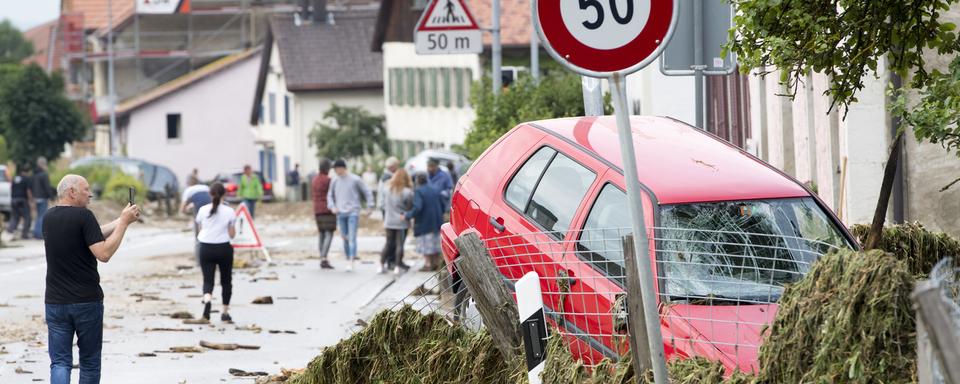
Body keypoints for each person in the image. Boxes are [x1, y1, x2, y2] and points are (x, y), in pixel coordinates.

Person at [44, 174, 140, 384]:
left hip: (55, 303)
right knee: (89, 362)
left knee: (60, 362)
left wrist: (120, 220)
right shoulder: (84, 216)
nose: (90, 194)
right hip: (86, 301)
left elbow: (90, 236)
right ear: (71, 192)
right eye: (86, 189)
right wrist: (123, 224)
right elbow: (103, 253)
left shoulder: (48, 217)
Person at [195, 182, 236, 322]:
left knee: (208, 280)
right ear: (225, 194)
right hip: (224, 248)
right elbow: (232, 234)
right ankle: (225, 312)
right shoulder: (230, 211)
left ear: (210, 194)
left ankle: (207, 299)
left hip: (206, 247)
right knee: (226, 281)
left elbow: (200, 229)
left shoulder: (202, 210)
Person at [327, 159, 373, 271]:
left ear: (343, 168)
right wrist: (332, 207)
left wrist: (370, 205)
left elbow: (367, 191)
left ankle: (350, 260)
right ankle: (348, 256)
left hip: (353, 211)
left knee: (352, 237)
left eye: (337, 168)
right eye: (335, 169)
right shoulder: (334, 181)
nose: (336, 171)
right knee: (344, 237)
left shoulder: (355, 179)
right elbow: (329, 195)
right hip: (340, 213)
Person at [406, 172, 444, 272]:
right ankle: (436, 263)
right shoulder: (435, 189)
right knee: (435, 243)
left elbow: (418, 206)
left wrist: (408, 215)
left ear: (417, 181)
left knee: (425, 243)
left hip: (424, 222)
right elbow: (443, 204)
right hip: (437, 221)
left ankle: (428, 264)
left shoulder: (418, 191)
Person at [380, 168, 413, 274]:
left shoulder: (387, 189)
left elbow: (383, 204)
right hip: (401, 221)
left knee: (388, 243)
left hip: (389, 220)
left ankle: (381, 265)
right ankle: (397, 267)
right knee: (400, 244)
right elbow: (409, 207)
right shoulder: (407, 192)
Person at [180, 176, 211, 264]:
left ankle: (199, 260)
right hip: (212, 211)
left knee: (199, 237)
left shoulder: (189, 190)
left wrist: (187, 211)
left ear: (189, 183)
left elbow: (182, 209)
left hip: (201, 213)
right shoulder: (205, 187)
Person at [312, 159, 336, 269]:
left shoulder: (314, 180)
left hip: (317, 209)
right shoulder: (328, 180)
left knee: (321, 233)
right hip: (327, 209)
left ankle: (322, 257)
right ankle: (324, 257)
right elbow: (333, 194)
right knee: (329, 233)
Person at [32, 157, 55, 240]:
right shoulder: (44, 174)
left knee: (38, 215)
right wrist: (51, 196)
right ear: (43, 164)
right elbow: (47, 187)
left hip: (36, 197)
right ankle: (38, 234)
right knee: (42, 216)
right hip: (42, 197)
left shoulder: (34, 174)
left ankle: (35, 232)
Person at [7, 166, 33, 240]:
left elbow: (11, 188)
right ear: (27, 172)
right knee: (27, 217)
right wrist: (31, 201)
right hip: (22, 200)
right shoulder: (27, 179)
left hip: (14, 199)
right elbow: (28, 191)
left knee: (15, 216)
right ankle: (24, 234)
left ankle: (10, 231)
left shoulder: (15, 178)